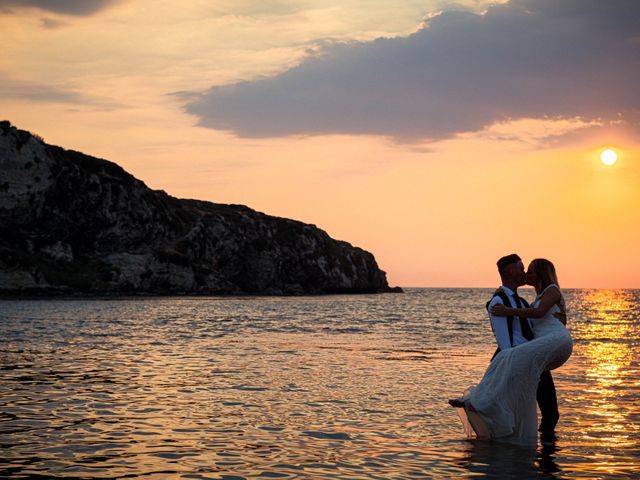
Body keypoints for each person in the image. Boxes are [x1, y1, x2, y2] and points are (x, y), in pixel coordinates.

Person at [449, 256, 573, 443]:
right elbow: (504, 337)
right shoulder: (499, 300)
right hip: (520, 359)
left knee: (549, 413)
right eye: (522, 269)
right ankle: (479, 409)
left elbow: (539, 317)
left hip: (536, 359)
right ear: (510, 272)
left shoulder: (523, 302)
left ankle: (546, 456)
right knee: (511, 406)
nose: (525, 273)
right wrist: (495, 306)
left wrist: (560, 317)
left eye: (528, 270)